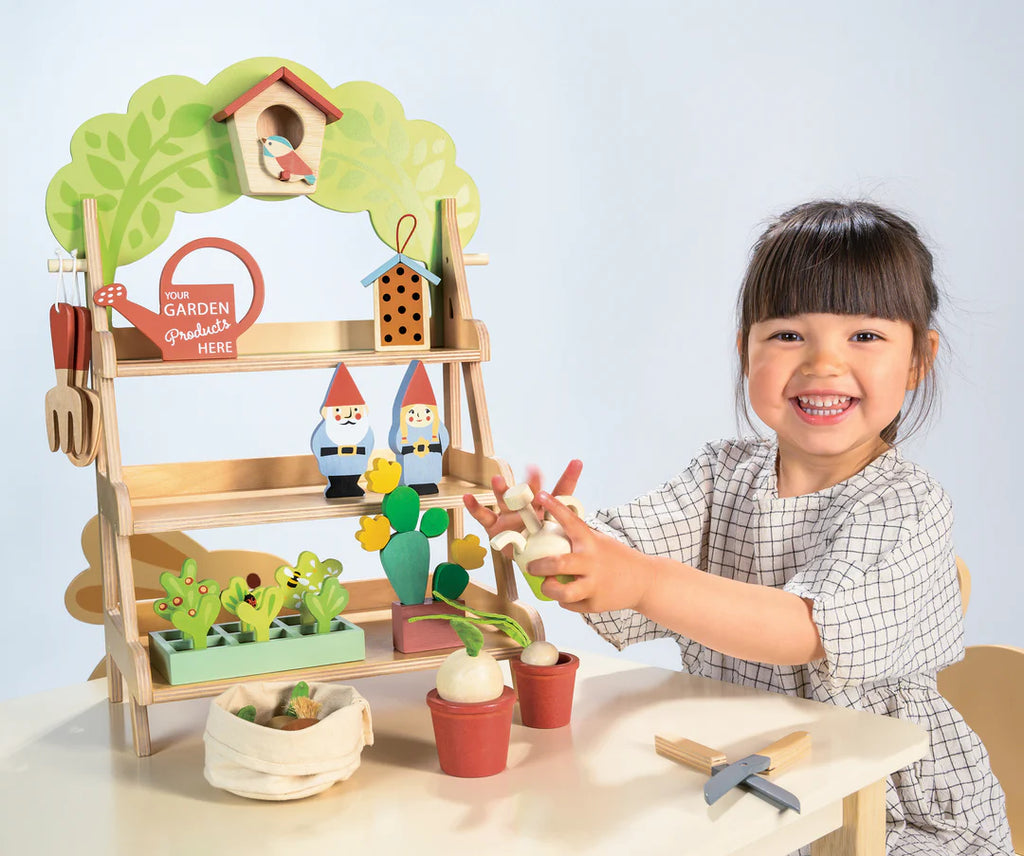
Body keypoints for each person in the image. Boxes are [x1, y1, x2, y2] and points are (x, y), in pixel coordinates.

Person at [465, 200, 1013, 854]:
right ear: (745, 351)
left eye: (864, 336)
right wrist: (553, 537)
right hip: (747, 789)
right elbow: (623, 555)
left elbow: (804, 630)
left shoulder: (907, 507)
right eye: (788, 335)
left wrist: (643, 582)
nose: (823, 364)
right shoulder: (719, 475)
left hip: (889, 810)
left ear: (919, 358)